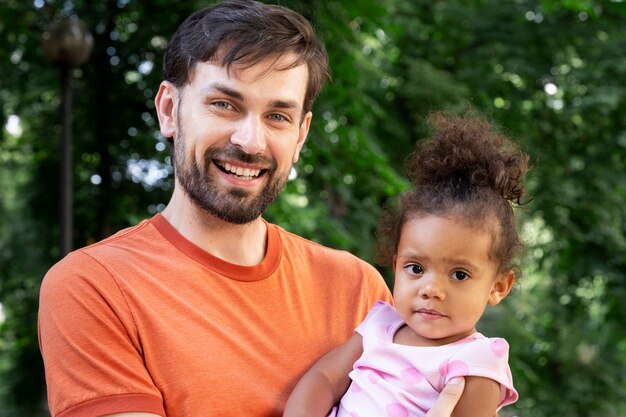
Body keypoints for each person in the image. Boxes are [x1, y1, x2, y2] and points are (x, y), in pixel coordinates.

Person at [37, 1, 467, 417]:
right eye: (224, 104)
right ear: (170, 110)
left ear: (300, 136)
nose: (250, 141)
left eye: (277, 116)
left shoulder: (358, 290)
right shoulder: (94, 286)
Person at [283, 111, 529, 417]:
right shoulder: (380, 326)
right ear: (397, 265)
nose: (431, 289)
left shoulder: (476, 363)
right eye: (416, 268)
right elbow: (323, 379)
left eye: (459, 274)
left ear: (498, 286)